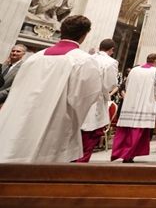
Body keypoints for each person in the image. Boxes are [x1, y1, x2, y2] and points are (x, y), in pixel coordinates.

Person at [0, 15, 100, 163]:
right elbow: (86, 97)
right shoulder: (84, 61)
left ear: (62, 31)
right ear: (85, 34)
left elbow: (17, 89)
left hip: (19, 121)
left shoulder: (34, 58)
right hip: (54, 123)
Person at [111, 53, 156, 162]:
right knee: (137, 130)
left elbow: (127, 84)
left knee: (126, 129)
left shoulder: (134, 70)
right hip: (144, 103)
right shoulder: (155, 72)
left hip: (130, 103)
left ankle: (121, 152)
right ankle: (128, 155)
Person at [78, 38, 119, 162]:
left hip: (79, 99)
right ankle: (80, 164)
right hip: (96, 100)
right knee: (91, 135)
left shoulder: (86, 58)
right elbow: (110, 84)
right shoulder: (111, 62)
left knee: (78, 134)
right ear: (112, 49)